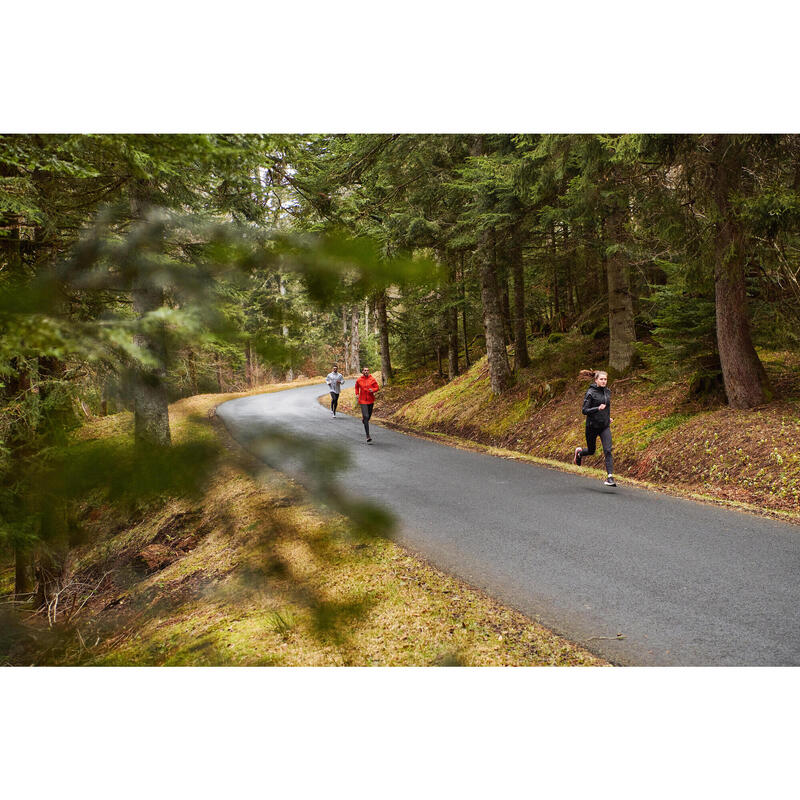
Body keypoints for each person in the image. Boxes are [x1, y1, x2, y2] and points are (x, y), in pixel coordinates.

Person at [573, 369, 616, 487]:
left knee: (608, 450)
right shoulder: (590, 392)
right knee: (591, 451)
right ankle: (580, 453)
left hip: (604, 426)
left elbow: (606, 408)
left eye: (605, 379)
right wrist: (597, 408)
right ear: (596, 380)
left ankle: (610, 477)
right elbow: (584, 410)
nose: (604, 381)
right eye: (601, 379)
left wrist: (607, 418)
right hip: (592, 426)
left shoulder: (608, 392)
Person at [354, 365, 380, 443]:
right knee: (366, 416)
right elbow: (356, 387)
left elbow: (377, 387)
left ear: (369, 371)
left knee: (368, 416)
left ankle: (365, 420)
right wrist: (357, 394)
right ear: (362, 372)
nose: (366, 371)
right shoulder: (359, 380)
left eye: (367, 370)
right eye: (364, 370)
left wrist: (373, 390)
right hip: (362, 400)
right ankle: (368, 436)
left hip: (370, 400)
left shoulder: (372, 379)